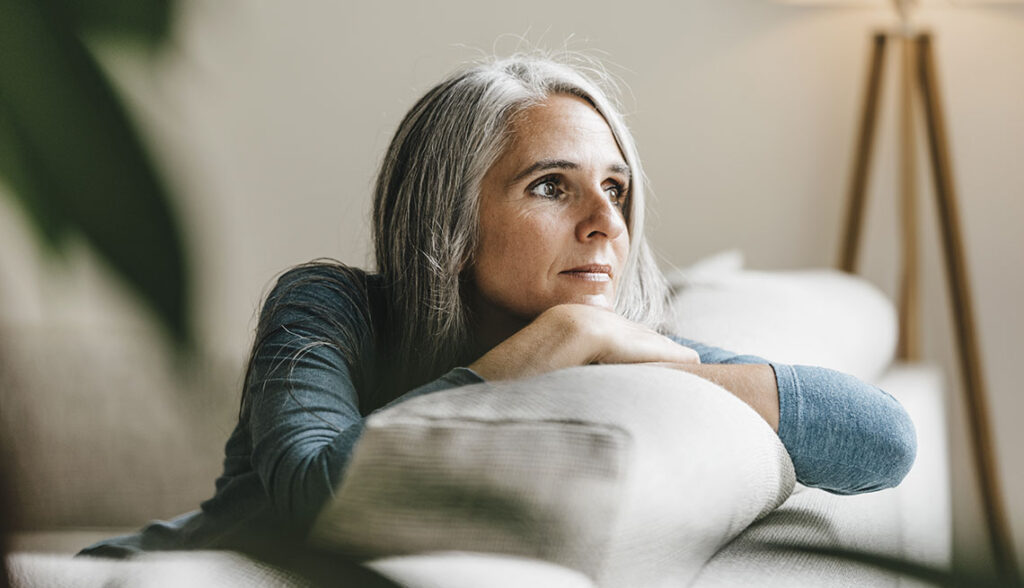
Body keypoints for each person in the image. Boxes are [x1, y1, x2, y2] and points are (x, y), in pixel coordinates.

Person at [80, 53, 916, 558]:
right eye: (552, 186)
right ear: (451, 216)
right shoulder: (331, 306)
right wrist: (549, 344)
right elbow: (318, 491)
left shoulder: (615, 345)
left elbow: (882, 440)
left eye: (617, 191)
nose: (605, 224)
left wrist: (676, 363)